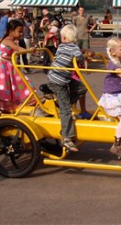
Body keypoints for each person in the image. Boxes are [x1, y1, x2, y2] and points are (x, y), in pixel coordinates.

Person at [47, 24, 85, 152]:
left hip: (58, 78)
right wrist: (82, 57)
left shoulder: (61, 46)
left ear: (63, 37)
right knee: (66, 109)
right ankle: (66, 138)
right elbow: (79, 57)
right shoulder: (74, 48)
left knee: (81, 88)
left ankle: (61, 103)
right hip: (59, 81)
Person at [0, 19, 36, 112]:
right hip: (1, 64)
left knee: (15, 81)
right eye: (19, 32)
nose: (21, 34)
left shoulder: (9, 39)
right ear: (11, 32)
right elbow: (17, 48)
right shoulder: (8, 40)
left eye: (22, 32)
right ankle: (4, 105)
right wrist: (29, 50)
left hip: (6, 63)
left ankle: (14, 102)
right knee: (4, 83)